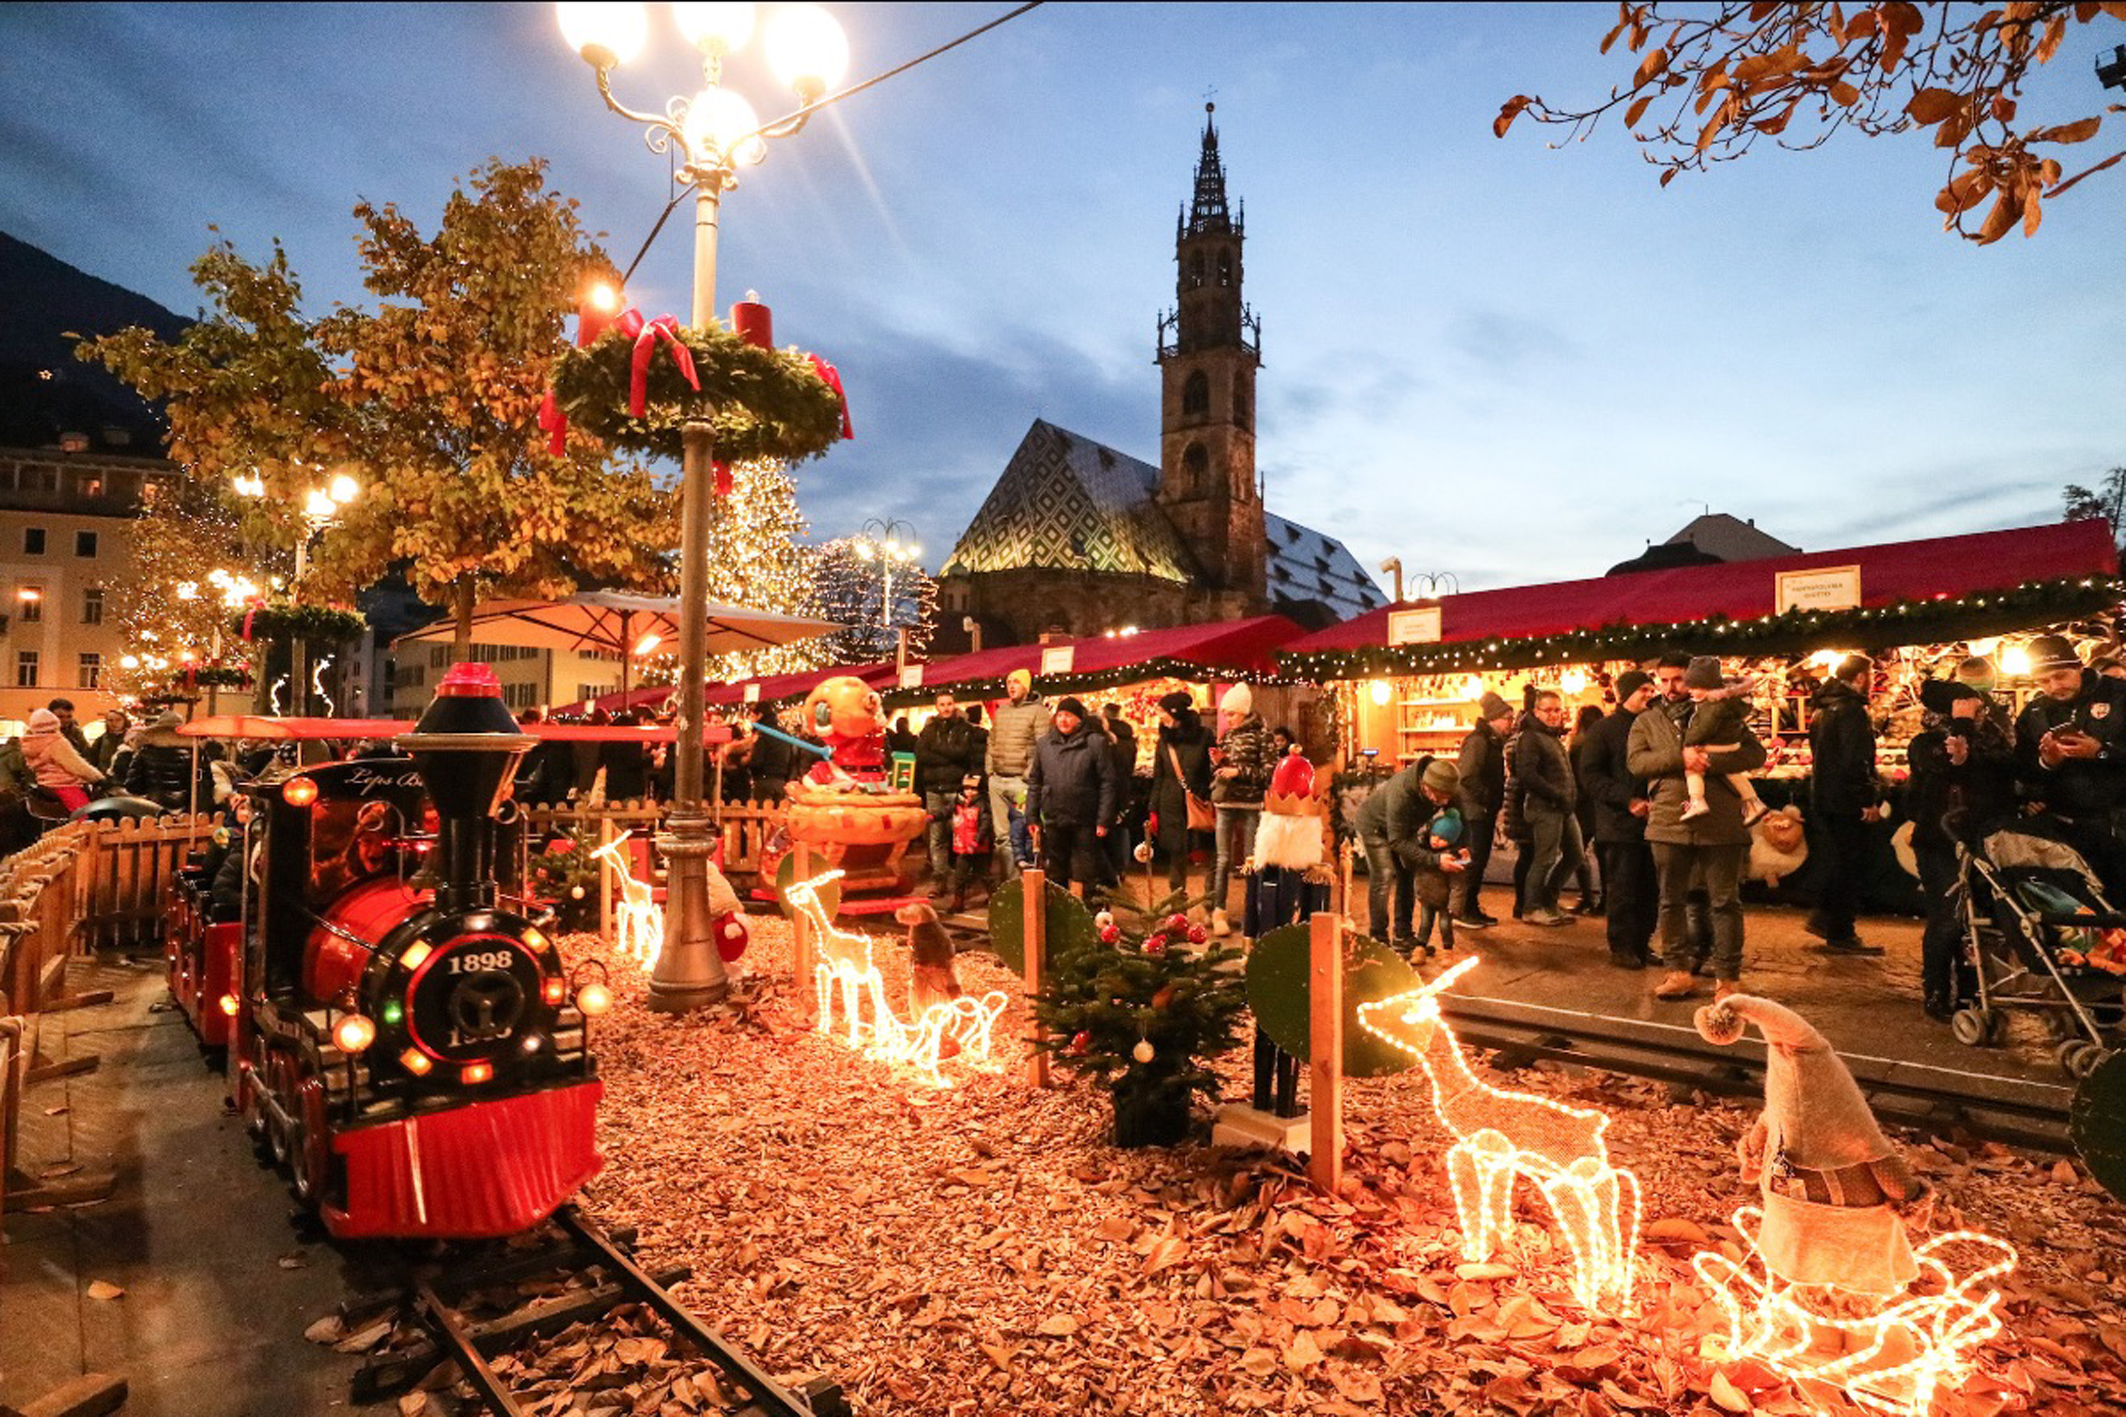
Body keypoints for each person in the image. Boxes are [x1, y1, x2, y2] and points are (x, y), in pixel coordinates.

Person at [1628, 665, 1768, 1001]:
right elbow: (1637, 763)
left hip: (1720, 822)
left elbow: (1755, 754)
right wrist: (1681, 757)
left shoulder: (1720, 712)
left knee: (1724, 902)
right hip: (1668, 820)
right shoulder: (1647, 720)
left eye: (1678, 679)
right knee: (1671, 900)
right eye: (1664, 680)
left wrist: (1707, 762)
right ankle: (1677, 972)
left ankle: (1727, 979)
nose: (1671, 687)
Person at [1907, 674, 2015, 1020]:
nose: (1978, 711)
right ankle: (1937, 988)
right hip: (1940, 843)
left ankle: (1972, 989)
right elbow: (1950, 766)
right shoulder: (1927, 744)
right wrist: (1962, 725)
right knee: (1949, 917)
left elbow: (2003, 776)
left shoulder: (1994, 741)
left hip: (1985, 841)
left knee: (1978, 921)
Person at [2014, 634, 2126, 894]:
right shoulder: (2034, 714)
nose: (2054, 686)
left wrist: (2101, 753)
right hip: (2067, 833)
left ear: (2079, 666)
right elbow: (2022, 771)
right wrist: (2046, 763)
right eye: (2043, 681)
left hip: (2120, 824)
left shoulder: (2120, 696)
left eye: (2061, 675)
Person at [1581, 670, 1659, 969]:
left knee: (1649, 889)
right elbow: (1590, 776)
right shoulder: (1604, 730)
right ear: (1626, 694)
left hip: (1653, 824)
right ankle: (1622, 947)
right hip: (1619, 825)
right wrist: (1626, 800)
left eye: (1651, 689)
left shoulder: (1655, 725)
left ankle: (1642, 943)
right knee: (1623, 889)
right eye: (1643, 689)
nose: (1649, 694)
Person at [1806, 654, 1885, 954]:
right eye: (1872, 674)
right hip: (1845, 799)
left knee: (1837, 859)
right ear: (1861, 677)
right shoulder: (1851, 710)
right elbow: (1855, 759)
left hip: (1826, 795)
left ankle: (1826, 918)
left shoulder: (1823, 709)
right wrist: (1866, 798)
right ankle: (1840, 930)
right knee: (1849, 864)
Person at [1354, 755, 1464, 953]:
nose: (1442, 802)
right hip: (1374, 827)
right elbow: (1397, 841)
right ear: (1424, 785)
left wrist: (1463, 847)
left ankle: (1403, 935)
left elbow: (1460, 817)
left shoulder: (1446, 785)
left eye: (1447, 797)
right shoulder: (1402, 793)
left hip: (1404, 828)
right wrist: (1435, 859)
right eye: (1438, 797)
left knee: (1408, 873)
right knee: (1384, 876)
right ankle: (1378, 940)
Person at [1024, 696, 1117, 896]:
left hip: (1085, 819)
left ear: (1079, 719)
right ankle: (1060, 917)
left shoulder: (1095, 743)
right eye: (1060, 715)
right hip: (1054, 817)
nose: (1063, 720)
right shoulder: (1044, 745)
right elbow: (1035, 782)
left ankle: (1093, 917)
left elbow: (1107, 783)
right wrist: (1031, 816)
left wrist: (1103, 819)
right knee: (1056, 873)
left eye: (1069, 716)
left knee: (1088, 872)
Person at [1515, 689, 1582, 927]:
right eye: (1548, 710)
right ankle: (1531, 907)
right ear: (1536, 711)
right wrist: (1556, 795)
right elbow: (1527, 774)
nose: (1554, 715)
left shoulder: (1551, 736)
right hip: (1545, 808)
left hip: (1562, 807)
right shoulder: (1531, 737)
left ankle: (1549, 901)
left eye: (1558, 710)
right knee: (1544, 858)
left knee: (1575, 854)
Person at [1209, 683, 1271, 935]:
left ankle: (1251, 913)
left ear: (1244, 711)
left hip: (1250, 805)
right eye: (1225, 714)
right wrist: (1219, 763)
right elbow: (1221, 770)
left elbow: (1269, 772)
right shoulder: (1228, 736)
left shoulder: (1262, 736)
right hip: (1225, 803)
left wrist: (1238, 772)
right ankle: (1218, 911)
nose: (1227, 719)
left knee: (1250, 861)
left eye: (1231, 714)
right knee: (1222, 860)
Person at [1679, 658, 1769, 825]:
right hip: (1729, 745)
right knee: (1733, 774)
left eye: (1693, 687)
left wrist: (1689, 743)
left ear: (1706, 686)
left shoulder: (1711, 706)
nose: (1688, 690)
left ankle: (1697, 800)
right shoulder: (1726, 703)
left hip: (1716, 747)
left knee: (1693, 769)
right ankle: (1753, 802)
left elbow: (1703, 728)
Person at [1451, 691, 1513, 930]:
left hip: (1482, 811)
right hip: (1474, 812)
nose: (1511, 722)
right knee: (1473, 860)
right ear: (1493, 719)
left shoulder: (1492, 741)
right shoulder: (1479, 741)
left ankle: (1471, 906)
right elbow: (1467, 776)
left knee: (1479, 860)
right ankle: (1463, 909)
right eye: (1507, 717)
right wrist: (1486, 799)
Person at [915, 691, 981, 905]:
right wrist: (949, 754)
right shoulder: (929, 730)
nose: (945, 707)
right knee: (937, 837)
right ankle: (939, 878)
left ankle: (961, 881)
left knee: (959, 834)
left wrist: (937, 750)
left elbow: (962, 754)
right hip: (934, 788)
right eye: (942, 704)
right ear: (936, 706)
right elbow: (922, 755)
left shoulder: (963, 729)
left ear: (954, 705)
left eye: (949, 703)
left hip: (954, 787)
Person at [1146, 690, 1212, 901]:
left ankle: (1211, 906)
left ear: (1176, 713)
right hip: (1170, 804)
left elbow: (1211, 770)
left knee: (1209, 855)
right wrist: (1153, 809)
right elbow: (1159, 776)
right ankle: (1177, 906)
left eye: (1162, 711)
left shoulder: (1204, 736)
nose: (1159, 716)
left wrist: (1207, 795)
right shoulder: (1164, 740)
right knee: (1176, 855)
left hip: (1198, 802)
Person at [986, 669, 1051, 879]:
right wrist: (990, 771)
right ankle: (1011, 881)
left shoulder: (1038, 712)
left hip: (1021, 783)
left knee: (1025, 836)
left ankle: (1028, 883)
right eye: (1008, 682)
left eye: (1016, 682)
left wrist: (1029, 776)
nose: (1011, 686)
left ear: (1026, 685)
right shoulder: (1002, 711)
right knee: (1002, 837)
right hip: (998, 780)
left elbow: (1042, 746)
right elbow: (991, 742)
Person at [124, 709, 210, 812]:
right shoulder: (196, 751)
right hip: (188, 806)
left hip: (153, 804)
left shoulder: (145, 752)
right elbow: (208, 780)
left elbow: (133, 785)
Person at [25, 706, 105, 814]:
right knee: (84, 814)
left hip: (44, 783)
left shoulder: (30, 743)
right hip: (63, 783)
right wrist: (98, 777)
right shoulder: (56, 741)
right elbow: (76, 765)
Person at [1567, 702, 1605, 913]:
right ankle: (1605, 898)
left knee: (1577, 852)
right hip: (1600, 803)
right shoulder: (1602, 742)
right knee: (1603, 853)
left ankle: (1586, 896)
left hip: (1582, 805)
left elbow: (1575, 776)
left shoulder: (1577, 744)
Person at [1100, 704, 1139, 887]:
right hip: (1125, 786)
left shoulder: (1106, 740)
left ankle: (1111, 869)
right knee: (1123, 827)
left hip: (1110, 787)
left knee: (1109, 829)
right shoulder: (1130, 738)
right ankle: (1122, 867)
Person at [88, 706, 130, 776]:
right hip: (104, 778)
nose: (114, 723)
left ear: (124, 721)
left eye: (118, 720)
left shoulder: (131, 738)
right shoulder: (101, 740)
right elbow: (92, 759)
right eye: (110, 720)